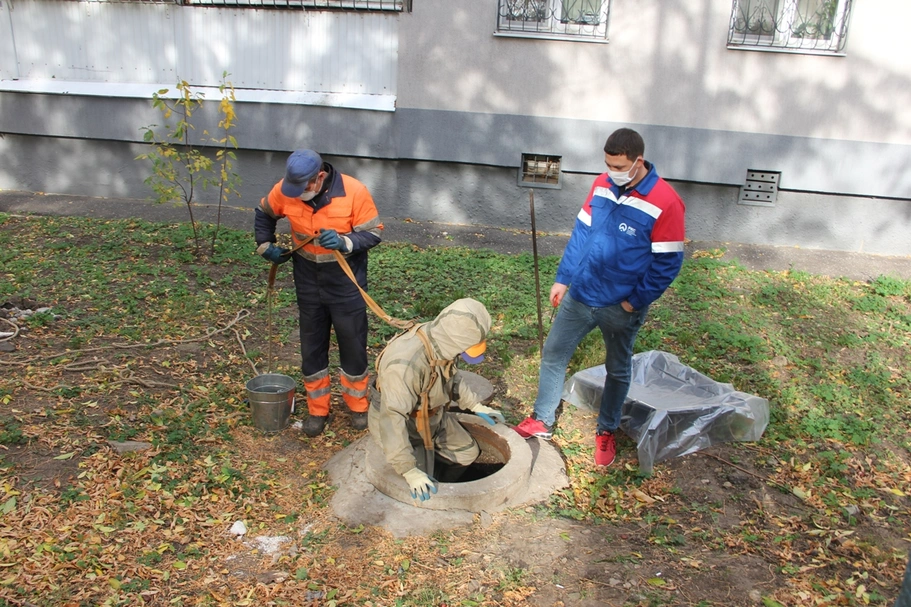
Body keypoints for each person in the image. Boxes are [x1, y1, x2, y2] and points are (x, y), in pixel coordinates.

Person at [514, 128, 686, 467]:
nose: (611, 172)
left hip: (620, 306)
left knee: (617, 370)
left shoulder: (666, 201)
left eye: (618, 166)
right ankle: (542, 419)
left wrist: (633, 302)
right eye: (608, 164)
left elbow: (667, 263)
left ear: (638, 161)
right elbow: (582, 234)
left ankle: (606, 429)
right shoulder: (601, 185)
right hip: (581, 294)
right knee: (553, 353)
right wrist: (563, 278)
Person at [254, 149, 383, 437]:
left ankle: (358, 406)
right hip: (308, 281)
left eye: (303, 188)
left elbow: (373, 233)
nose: (297, 195)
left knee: (352, 343)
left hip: (346, 283)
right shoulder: (285, 189)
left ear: (319, 177)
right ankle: (317, 410)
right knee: (311, 346)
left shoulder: (354, 192)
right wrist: (265, 245)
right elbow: (264, 213)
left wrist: (345, 242)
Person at [368, 298, 505, 502]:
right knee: (422, 487)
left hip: (433, 417)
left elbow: (452, 375)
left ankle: (441, 476)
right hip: (405, 425)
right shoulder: (404, 366)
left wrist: (475, 405)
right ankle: (427, 472)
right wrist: (408, 470)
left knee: (467, 453)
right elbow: (392, 418)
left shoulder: (442, 340)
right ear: (454, 342)